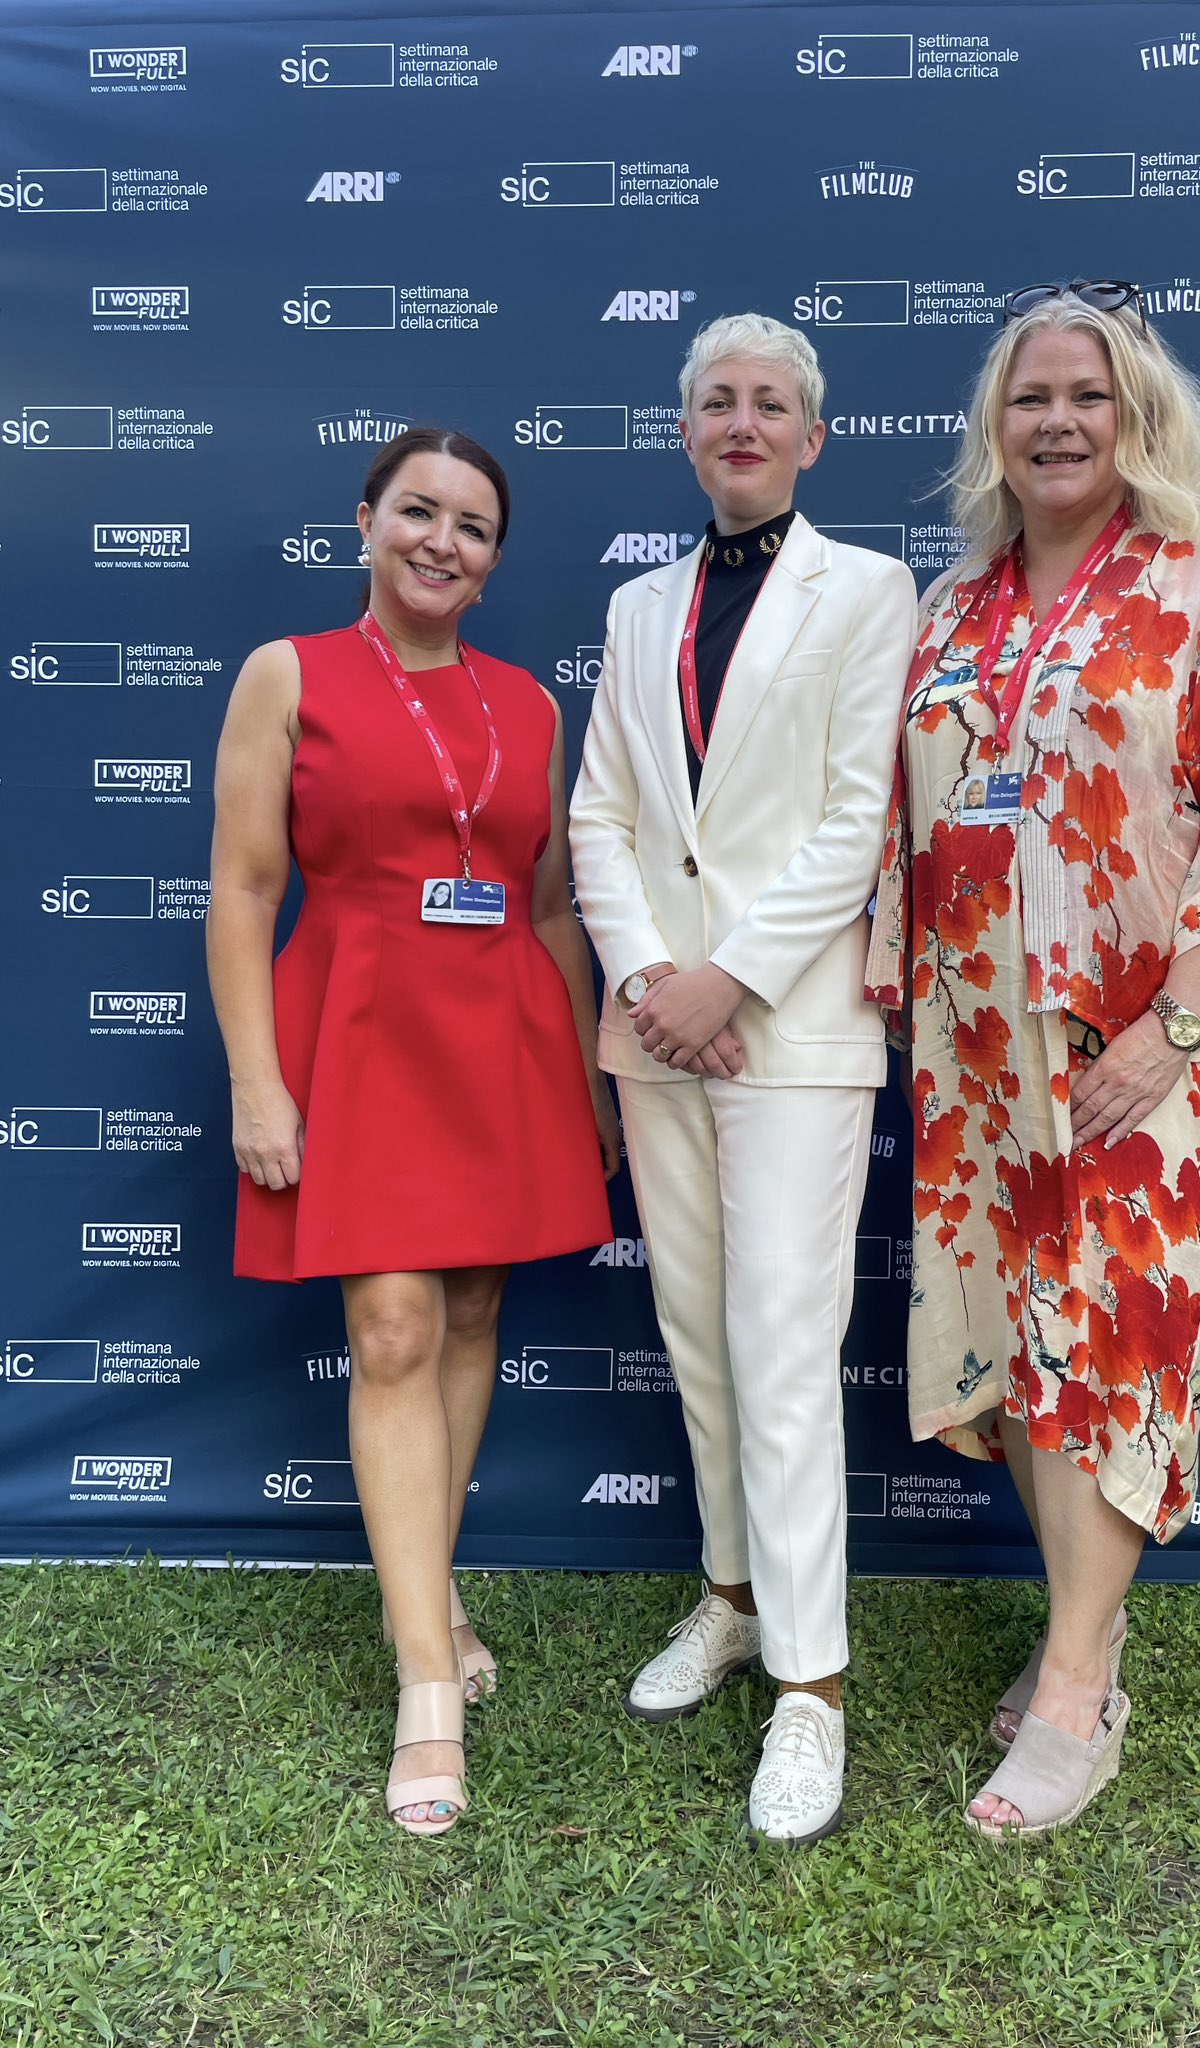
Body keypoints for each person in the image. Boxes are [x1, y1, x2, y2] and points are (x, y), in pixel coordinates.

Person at [866, 281, 1200, 1837]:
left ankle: (1074, 1692)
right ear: (991, 431)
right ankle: (1092, 1623)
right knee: (1023, 1353)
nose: (1056, 423)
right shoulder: (953, 608)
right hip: (987, 1054)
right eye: (1028, 399)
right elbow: (912, 823)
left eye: (1085, 395)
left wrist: (1176, 1021)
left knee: (1116, 1348)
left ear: (1138, 413)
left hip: (1158, 1049)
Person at [207, 425, 618, 1837]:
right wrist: (261, 1085)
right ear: (366, 521)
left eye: (475, 526)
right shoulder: (290, 674)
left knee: (469, 1316)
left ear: (496, 564)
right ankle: (427, 1686)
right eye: (419, 512)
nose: (444, 540)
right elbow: (246, 895)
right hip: (360, 1032)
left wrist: (589, 1080)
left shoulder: (530, 705)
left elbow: (554, 908)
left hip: (501, 1040)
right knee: (389, 1327)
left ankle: (425, 1593)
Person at [569, 313, 917, 1844]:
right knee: (698, 1338)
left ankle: (812, 1690)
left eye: (771, 402)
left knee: (782, 1347)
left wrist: (729, 980)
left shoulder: (873, 590)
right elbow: (600, 819)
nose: (743, 421)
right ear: (687, 431)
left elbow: (857, 820)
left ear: (811, 437)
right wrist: (652, 979)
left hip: (789, 1028)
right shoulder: (637, 606)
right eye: (717, 400)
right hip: (660, 1034)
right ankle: (728, 1599)